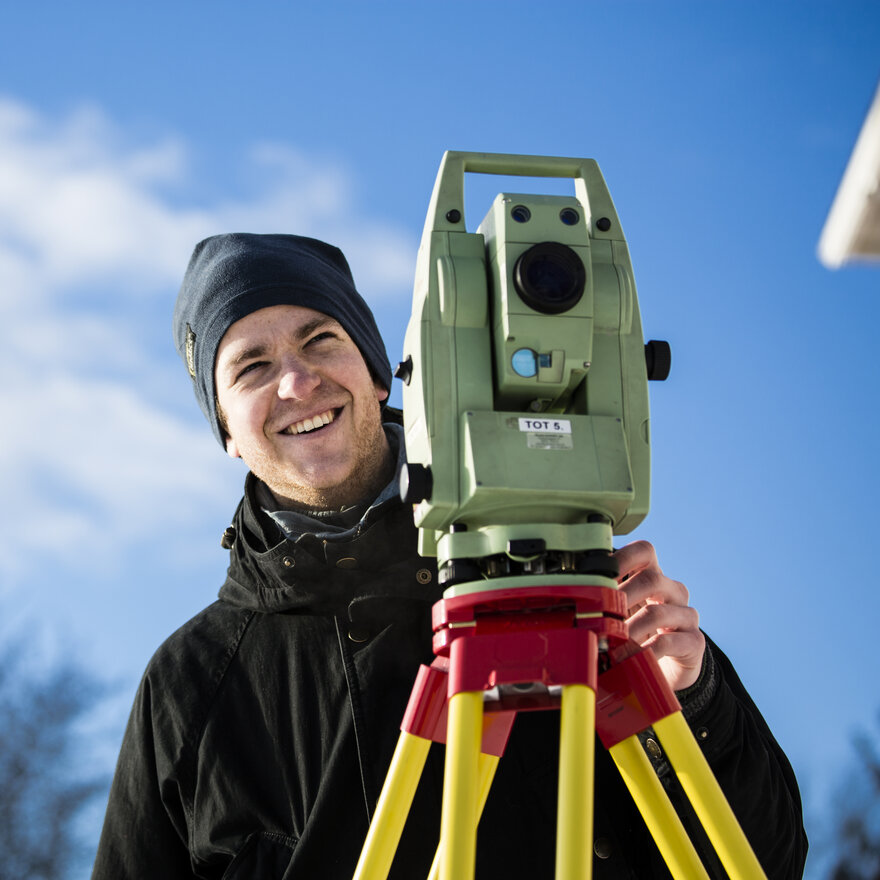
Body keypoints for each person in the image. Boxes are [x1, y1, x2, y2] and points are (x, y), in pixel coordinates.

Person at [92, 233, 807, 879]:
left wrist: (692, 699)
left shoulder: (558, 584)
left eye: (320, 340)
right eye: (251, 367)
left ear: (379, 371)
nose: (297, 382)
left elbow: (766, 862)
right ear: (225, 432)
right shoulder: (190, 686)